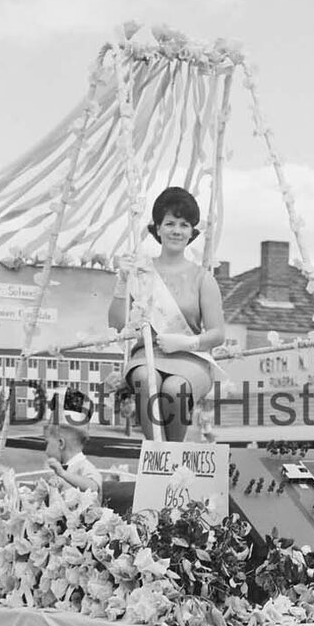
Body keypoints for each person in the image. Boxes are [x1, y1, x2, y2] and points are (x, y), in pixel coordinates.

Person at [108, 186, 226, 442]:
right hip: (147, 356)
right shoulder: (141, 272)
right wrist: (122, 281)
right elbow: (118, 323)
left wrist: (187, 341)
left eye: (184, 225)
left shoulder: (202, 278)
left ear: (192, 232)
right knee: (142, 377)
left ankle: (173, 457)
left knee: (174, 389)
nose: (176, 230)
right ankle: (155, 454)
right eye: (170, 223)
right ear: (157, 228)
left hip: (190, 358)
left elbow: (218, 334)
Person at [44, 419, 103, 494]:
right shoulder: (61, 468)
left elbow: (93, 487)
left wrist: (63, 473)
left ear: (61, 444)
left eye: (47, 443)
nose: (46, 451)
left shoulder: (85, 467)